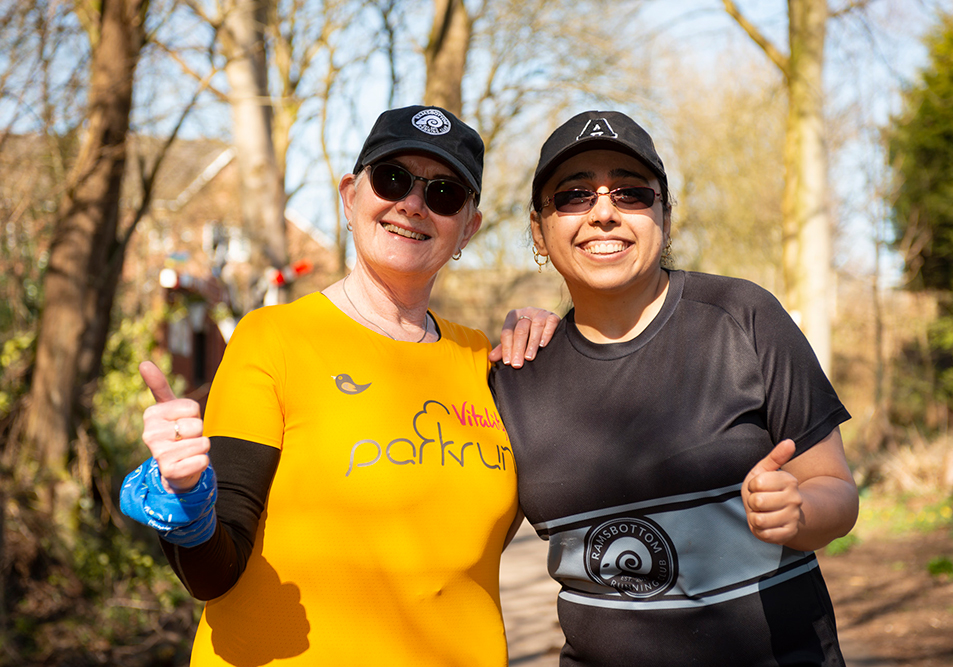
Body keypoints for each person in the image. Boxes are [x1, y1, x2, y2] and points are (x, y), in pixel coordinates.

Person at [120, 105, 556, 666]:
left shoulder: (487, 360)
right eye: (392, 179)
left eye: (444, 193)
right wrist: (185, 499)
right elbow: (215, 572)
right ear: (351, 196)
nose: (413, 203)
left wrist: (558, 344)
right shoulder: (272, 339)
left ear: (467, 227)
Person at [490, 110, 859, 666]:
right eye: (574, 196)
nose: (604, 213)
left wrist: (800, 510)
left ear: (666, 216)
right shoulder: (514, 375)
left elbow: (838, 490)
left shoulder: (743, 316)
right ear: (540, 232)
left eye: (632, 193)